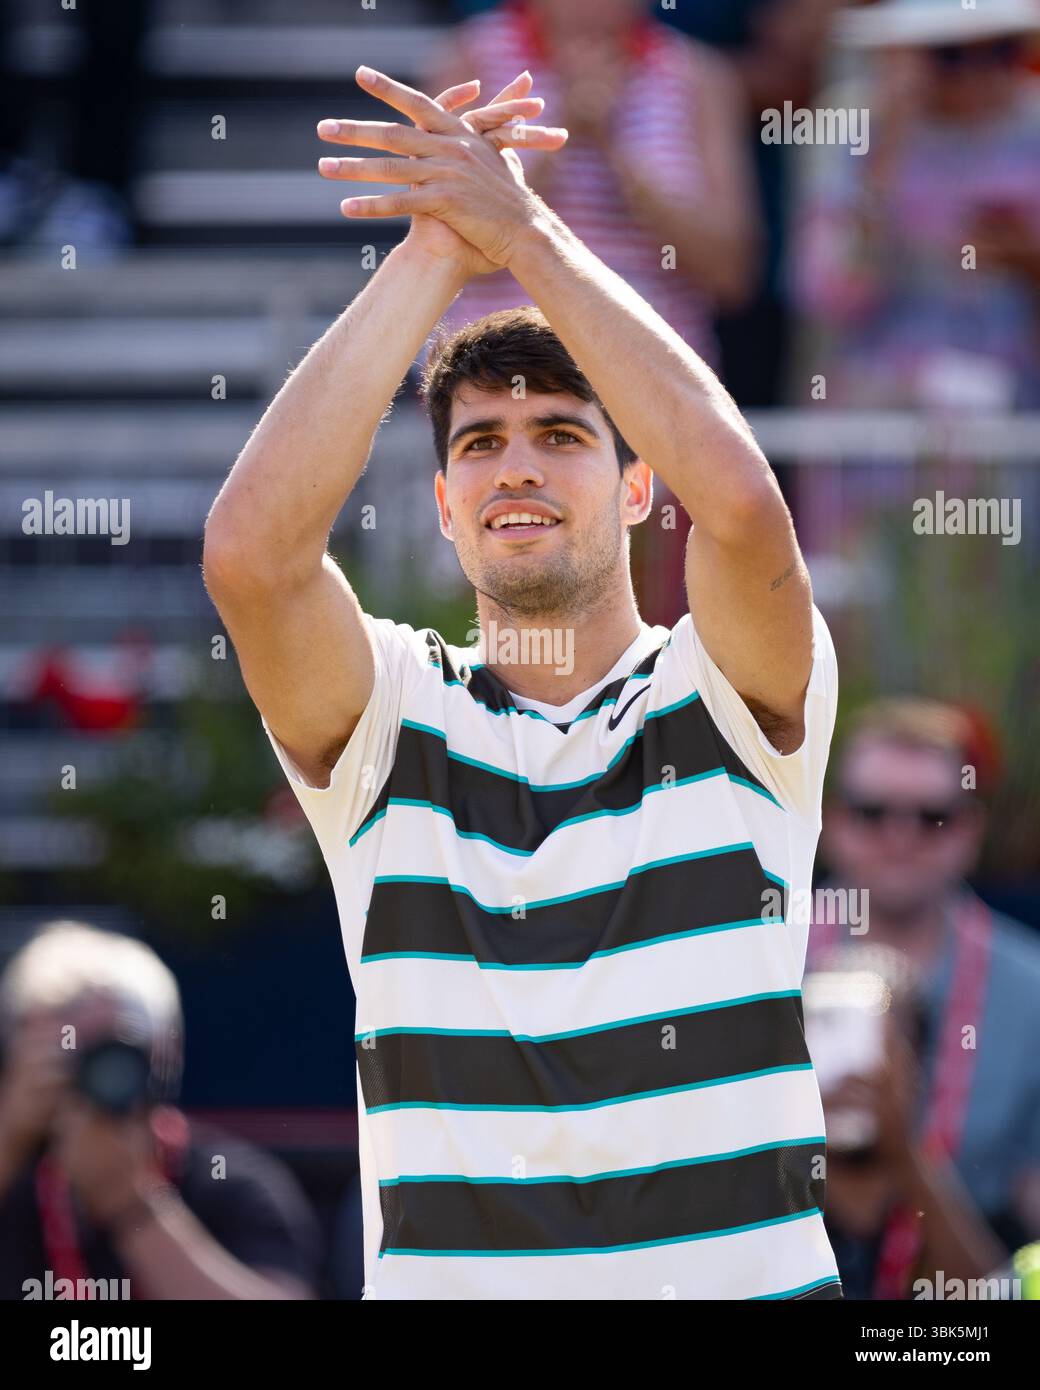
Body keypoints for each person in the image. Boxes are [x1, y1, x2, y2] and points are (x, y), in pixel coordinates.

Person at [203, 64, 842, 1301]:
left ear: (639, 483)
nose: (516, 466)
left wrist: (526, 231)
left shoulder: (724, 694)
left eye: (562, 434)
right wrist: (436, 252)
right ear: (442, 506)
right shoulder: (394, 715)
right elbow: (251, 558)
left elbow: (747, 508)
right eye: (480, 444)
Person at [810, 697, 1040, 1297]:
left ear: (971, 829)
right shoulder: (761, 959)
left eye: (932, 816)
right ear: (831, 820)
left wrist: (906, 1150)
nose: (901, 837)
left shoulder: (1030, 989)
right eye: (872, 812)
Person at [0, 922, 320, 1301]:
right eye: (66, 1051)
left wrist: (134, 1206)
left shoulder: (226, 1179)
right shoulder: (18, 1181)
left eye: (112, 1050)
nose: (92, 1077)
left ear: (165, 1054)